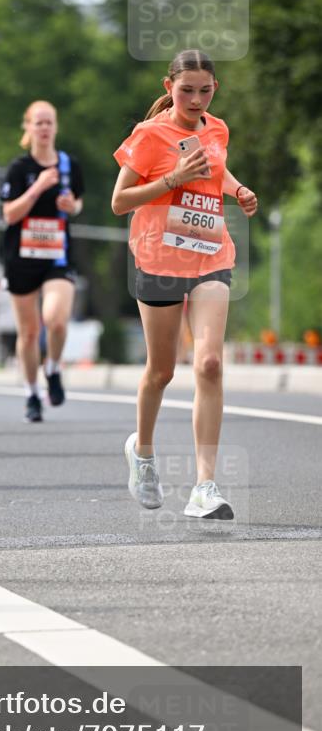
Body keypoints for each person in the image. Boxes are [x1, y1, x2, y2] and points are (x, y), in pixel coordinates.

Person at [112, 49, 258, 520]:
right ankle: (145, 454)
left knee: (210, 362)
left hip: (212, 254)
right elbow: (119, 201)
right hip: (159, 257)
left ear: (216, 88)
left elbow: (216, 168)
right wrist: (172, 179)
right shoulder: (149, 135)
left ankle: (205, 486)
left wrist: (236, 189)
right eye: (186, 90)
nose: (196, 99)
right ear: (167, 87)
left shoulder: (218, 129)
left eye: (205, 90)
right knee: (162, 371)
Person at [0, 100, 84, 422]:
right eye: (39, 123)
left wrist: (70, 204)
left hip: (57, 256)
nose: (45, 128)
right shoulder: (19, 169)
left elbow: (77, 203)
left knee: (57, 319)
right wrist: (37, 188)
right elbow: (9, 213)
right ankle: (31, 393)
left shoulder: (68, 165)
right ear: (28, 127)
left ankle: (53, 368)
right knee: (29, 332)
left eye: (50, 122)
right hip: (22, 257)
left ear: (56, 126)